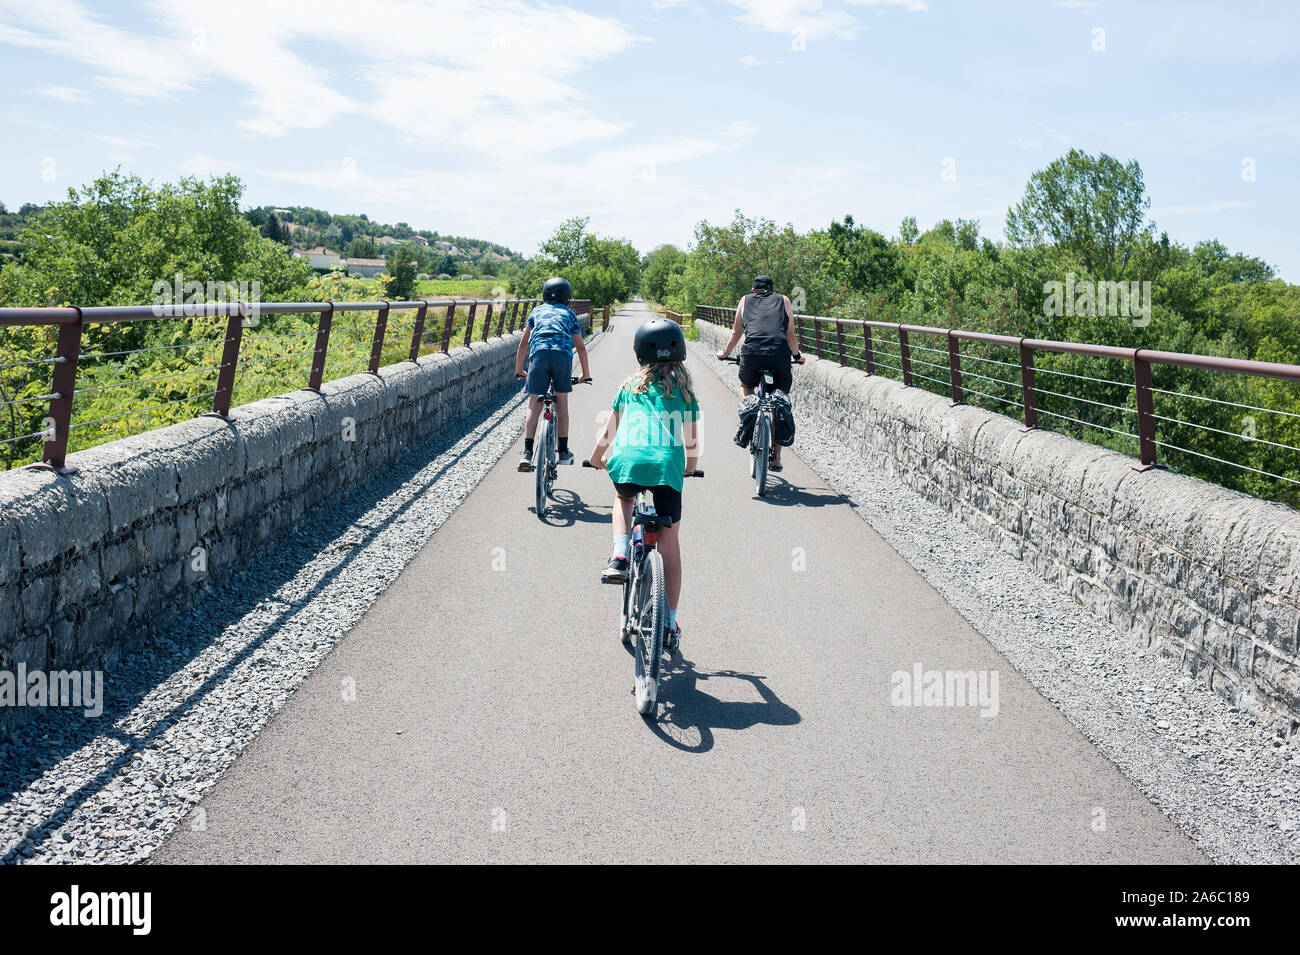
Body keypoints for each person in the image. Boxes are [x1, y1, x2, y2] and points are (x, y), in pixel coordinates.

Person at [587, 319, 699, 652]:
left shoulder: (630, 388)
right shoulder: (684, 393)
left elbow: (608, 432)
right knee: (670, 541)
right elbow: (691, 442)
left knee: (623, 500)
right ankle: (669, 621)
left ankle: (620, 554)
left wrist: (595, 458)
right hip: (667, 469)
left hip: (628, 461)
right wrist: (690, 470)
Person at [715, 275, 804, 470]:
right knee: (779, 400)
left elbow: (737, 331)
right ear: (772, 290)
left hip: (752, 353)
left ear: (754, 290)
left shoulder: (745, 300)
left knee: (746, 385)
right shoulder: (784, 300)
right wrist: (797, 357)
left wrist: (725, 353)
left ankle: (750, 406)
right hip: (780, 354)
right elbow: (790, 334)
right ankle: (777, 458)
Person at [515, 276, 591, 470]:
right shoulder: (569, 314)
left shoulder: (536, 312)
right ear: (567, 297)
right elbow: (580, 347)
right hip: (561, 356)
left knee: (534, 403)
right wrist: (585, 374)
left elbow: (524, 343)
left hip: (539, 355)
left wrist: (518, 369)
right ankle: (563, 451)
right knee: (562, 404)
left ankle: (527, 453)